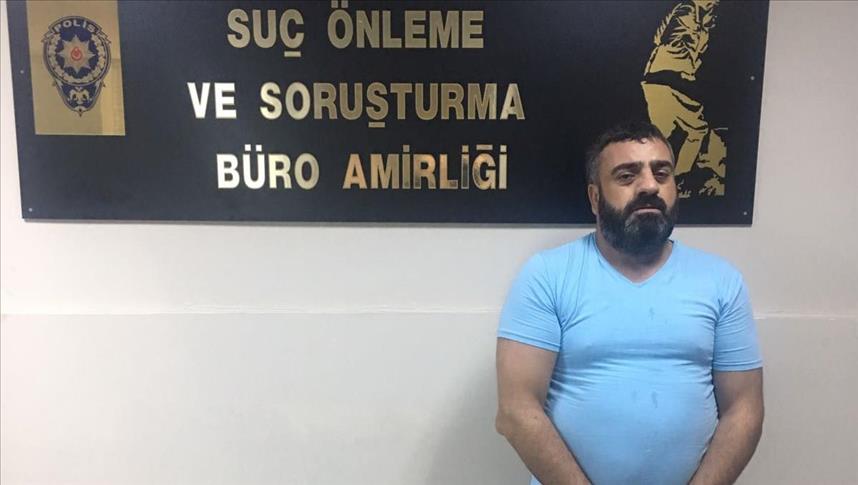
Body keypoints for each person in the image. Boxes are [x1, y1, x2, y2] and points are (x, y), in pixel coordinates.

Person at [495, 121, 763, 485]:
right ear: (595, 197)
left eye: (662, 173)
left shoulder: (721, 281)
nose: (649, 186)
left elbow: (744, 410)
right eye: (627, 175)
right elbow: (516, 411)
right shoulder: (548, 275)